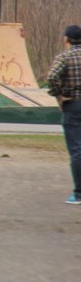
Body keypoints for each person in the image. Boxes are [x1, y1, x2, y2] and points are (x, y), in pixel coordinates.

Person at [45, 24, 81, 205]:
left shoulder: (65, 57)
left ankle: (78, 194)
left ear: (66, 39)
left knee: (76, 150)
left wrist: (58, 94)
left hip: (73, 104)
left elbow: (51, 77)